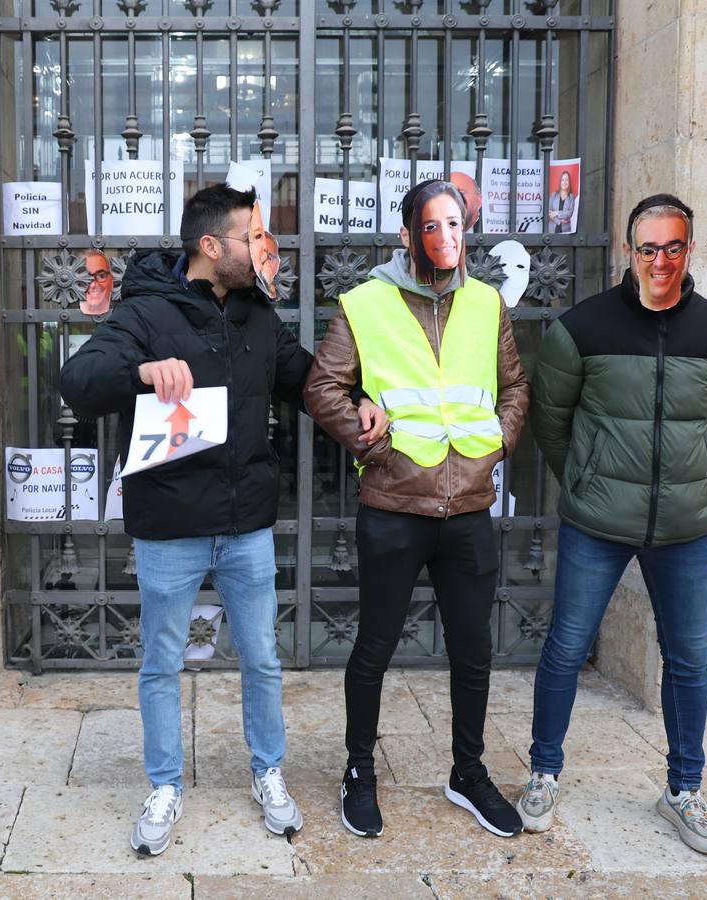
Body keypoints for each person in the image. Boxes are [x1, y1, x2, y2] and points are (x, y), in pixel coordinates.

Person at [59, 184, 313, 856]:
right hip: (169, 527)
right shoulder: (145, 310)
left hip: (247, 526)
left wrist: (366, 402)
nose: (263, 248)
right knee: (162, 663)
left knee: (261, 658)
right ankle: (165, 785)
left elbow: (306, 381)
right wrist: (141, 369)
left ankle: (267, 771)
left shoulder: (259, 317)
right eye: (252, 237)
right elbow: (80, 383)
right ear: (211, 247)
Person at [517, 193, 707, 855]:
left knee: (688, 659)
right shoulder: (582, 328)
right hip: (597, 521)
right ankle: (543, 772)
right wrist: (590, 480)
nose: (659, 260)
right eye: (648, 247)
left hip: (687, 529)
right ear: (630, 250)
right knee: (566, 646)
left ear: (689, 250)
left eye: (672, 247)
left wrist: (688, 476)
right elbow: (551, 422)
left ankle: (683, 789)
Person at [305, 179, 530, 840]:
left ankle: (468, 772)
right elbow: (323, 385)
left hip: (467, 506)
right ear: (407, 234)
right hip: (395, 504)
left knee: (473, 651)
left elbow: (514, 384)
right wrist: (367, 442)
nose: (446, 239)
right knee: (373, 648)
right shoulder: (364, 303)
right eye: (432, 227)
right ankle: (358, 773)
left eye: (455, 225)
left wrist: (497, 446)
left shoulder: (487, 303)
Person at [547, 170, 576, 234]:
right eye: (562, 180)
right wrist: (559, 222)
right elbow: (549, 213)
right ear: (560, 181)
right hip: (552, 230)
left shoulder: (571, 197)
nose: (564, 182)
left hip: (566, 230)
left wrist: (556, 213)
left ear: (569, 182)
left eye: (566, 180)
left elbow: (569, 213)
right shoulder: (553, 195)